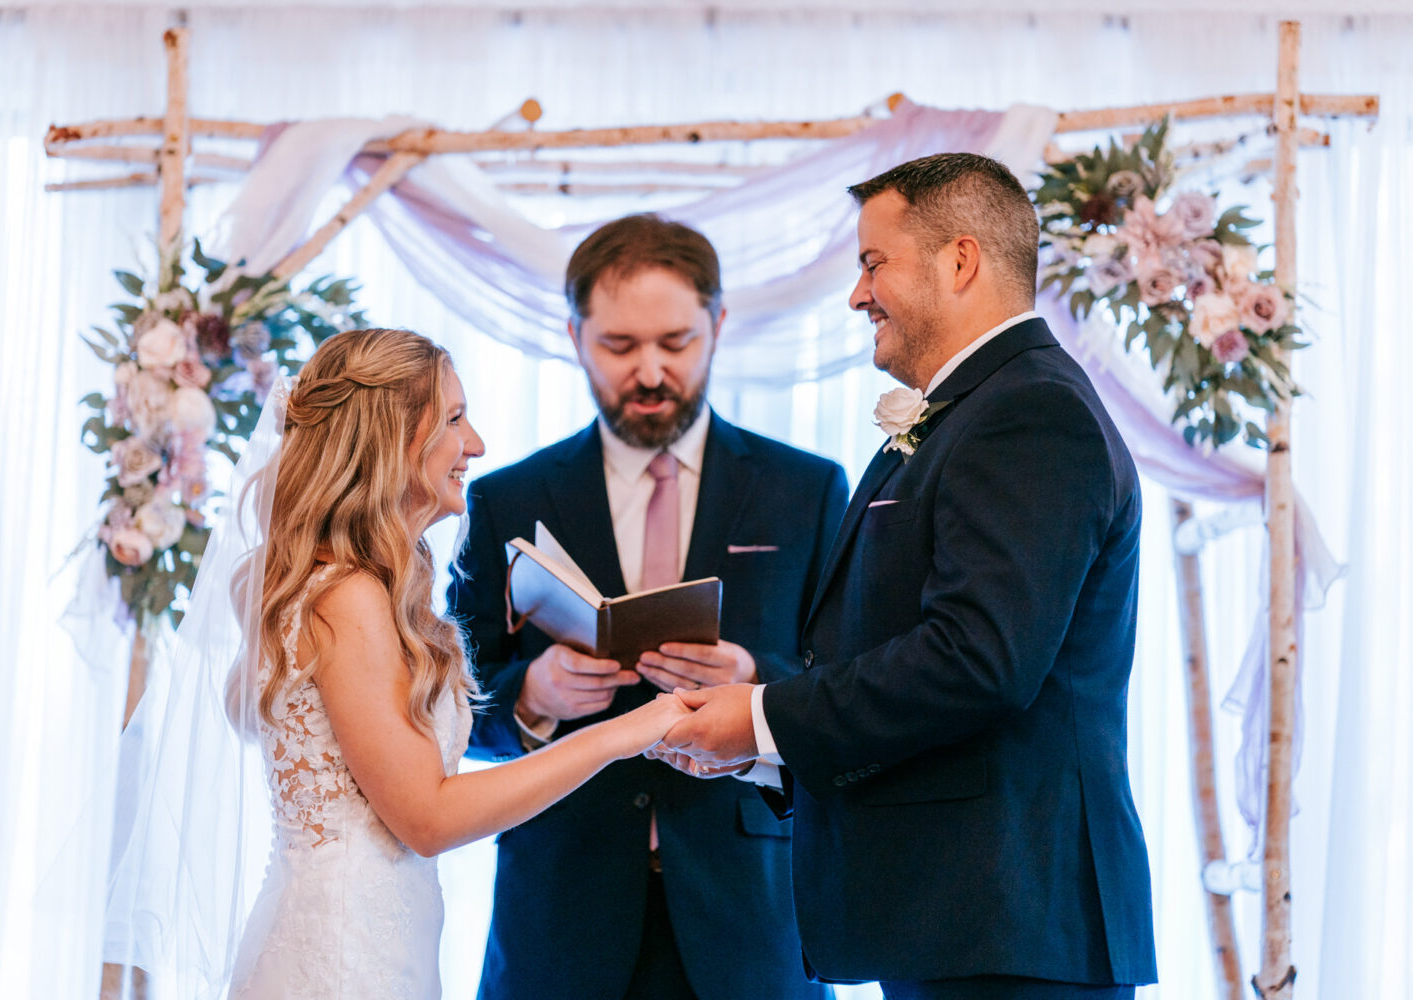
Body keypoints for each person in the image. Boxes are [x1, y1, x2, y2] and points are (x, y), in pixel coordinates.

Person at [656, 154, 1158, 999]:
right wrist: (765, 747)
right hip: (965, 921)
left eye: (872, 262)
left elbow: (978, 659)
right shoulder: (983, 409)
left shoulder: (1029, 413)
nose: (858, 295)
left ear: (960, 261)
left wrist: (767, 716)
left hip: (1009, 924)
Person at [127, 327, 690, 1000]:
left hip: (376, 941)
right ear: (389, 439)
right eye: (454, 419)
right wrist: (627, 733)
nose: (475, 444)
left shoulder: (364, 587)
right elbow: (427, 817)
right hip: (341, 963)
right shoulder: (349, 596)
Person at [448, 214, 848, 1000]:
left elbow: (851, 684)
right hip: (560, 914)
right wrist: (531, 698)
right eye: (621, 347)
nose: (652, 372)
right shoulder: (505, 498)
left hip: (753, 915)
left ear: (719, 326)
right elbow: (452, 703)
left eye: (676, 342)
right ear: (574, 337)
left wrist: (754, 681)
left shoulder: (806, 490)